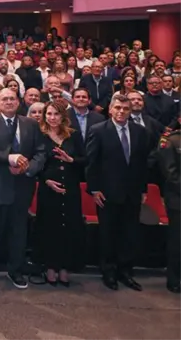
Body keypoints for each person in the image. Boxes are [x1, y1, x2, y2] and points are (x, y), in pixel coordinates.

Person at [0, 88, 46, 289]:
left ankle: (16, 271)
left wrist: (28, 168)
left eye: (12, 99)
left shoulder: (30, 124)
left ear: (18, 102)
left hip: (22, 186)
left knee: (19, 232)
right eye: (4, 99)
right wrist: (8, 159)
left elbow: (41, 152)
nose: (8, 102)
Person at [86, 93, 150, 291]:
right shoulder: (98, 130)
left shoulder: (140, 131)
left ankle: (125, 272)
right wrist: (94, 189)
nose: (121, 112)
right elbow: (92, 162)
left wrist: (143, 189)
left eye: (125, 109)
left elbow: (142, 163)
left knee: (129, 234)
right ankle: (109, 272)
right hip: (107, 193)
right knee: (108, 234)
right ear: (111, 110)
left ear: (130, 111)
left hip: (132, 193)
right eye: (118, 108)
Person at [36, 100, 85, 286]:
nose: (52, 118)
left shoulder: (73, 135)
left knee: (69, 227)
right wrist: (46, 180)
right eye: (49, 114)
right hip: (48, 188)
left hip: (70, 188)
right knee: (50, 227)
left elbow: (86, 160)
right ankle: (50, 267)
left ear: (63, 116)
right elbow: (34, 163)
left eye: (56, 114)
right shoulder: (39, 135)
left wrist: (70, 159)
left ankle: (65, 267)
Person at [155, 122, 181, 293]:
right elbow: (170, 173)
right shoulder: (171, 140)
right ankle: (174, 279)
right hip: (178, 200)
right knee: (177, 242)